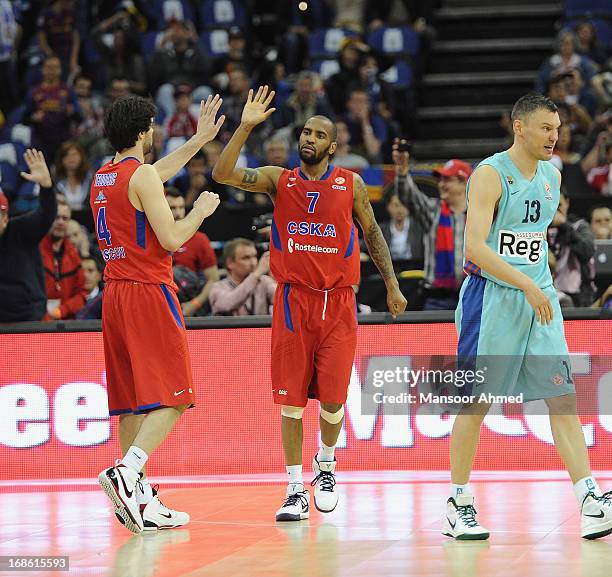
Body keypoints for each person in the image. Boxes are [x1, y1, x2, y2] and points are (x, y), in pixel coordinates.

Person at [212, 86, 406, 521]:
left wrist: (391, 284)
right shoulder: (279, 180)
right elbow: (223, 174)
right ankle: (294, 487)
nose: (309, 138)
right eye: (306, 132)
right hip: (293, 301)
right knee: (292, 403)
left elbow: (373, 234)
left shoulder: (350, 184)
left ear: (332, 147)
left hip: (338, 303)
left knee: (334, 403)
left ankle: (328, 463)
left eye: (319, 134)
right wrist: (245, 126)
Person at [446, 93, 612, 541]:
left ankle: (590, 497)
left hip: (539, 300)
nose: (553, 137)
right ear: (519, 127)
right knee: (475, 404)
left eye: (557, 130)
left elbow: (532, 242)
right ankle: (458, 501)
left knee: (562, 399)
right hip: (494, 299)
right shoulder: (489, 174)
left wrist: (540, 288)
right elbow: (474, 248)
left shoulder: (552, 177)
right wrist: (527, 285)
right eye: (545, 128)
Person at [94, 94, 224, 534]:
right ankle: (126, 472)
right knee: (176, 395)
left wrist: (199, 139)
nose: (153, 132)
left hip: (114, 293)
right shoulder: (141, 175)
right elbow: (170, 239)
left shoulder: (104, 175)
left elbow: (154, 174)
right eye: (150, 126)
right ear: (141, 131)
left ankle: (141, 498)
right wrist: (202, 213)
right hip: (148, 291)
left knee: (133, 403)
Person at [394, 139, 472, 309]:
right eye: (441, 180)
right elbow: (408, 196)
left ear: (463, 182)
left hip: (473, 297)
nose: (441, 184)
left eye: (447, 180)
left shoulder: (479, 214)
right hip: (438, 299)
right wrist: (402, 171)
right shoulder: (433, 210)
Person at [0, 153, 57, 323]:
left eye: (1, 214)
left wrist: (46, 186)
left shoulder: (21, 229)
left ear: (5, 217)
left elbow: (46, 214)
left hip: (29, 318)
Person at [166, 187, 220, 316]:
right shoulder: (151, 238)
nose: (178, 213)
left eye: (181, 207)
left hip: (188, 304)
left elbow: (213, 279)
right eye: (172, 208)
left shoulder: (199, 239)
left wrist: (194, 304)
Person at [39, 198, 88, 320]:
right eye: (56, 217)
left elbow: (82, 294)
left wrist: (61, 311)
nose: (60, 222)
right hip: (36, 322)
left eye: (65, 218)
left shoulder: (73, 255)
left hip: (65, 324)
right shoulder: (35, 250)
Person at [547, 189, 596, 307]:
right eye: (550, 206)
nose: (555, 211)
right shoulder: (537, 228)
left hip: (577, 295)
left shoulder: (579, 226)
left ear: (567, 202)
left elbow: (587, 251)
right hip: (545, 290)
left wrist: (564, 225)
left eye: (558, 205)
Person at [208, 238, 276, 316]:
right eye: (246, 258)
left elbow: (285, 301)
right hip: (231, 328)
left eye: (255, 256)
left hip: (261, 328)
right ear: (230, 263)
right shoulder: (217, 288)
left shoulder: (264, 282)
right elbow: (229, 304)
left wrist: (278, 278)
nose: (253, 263)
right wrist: (256, 274)